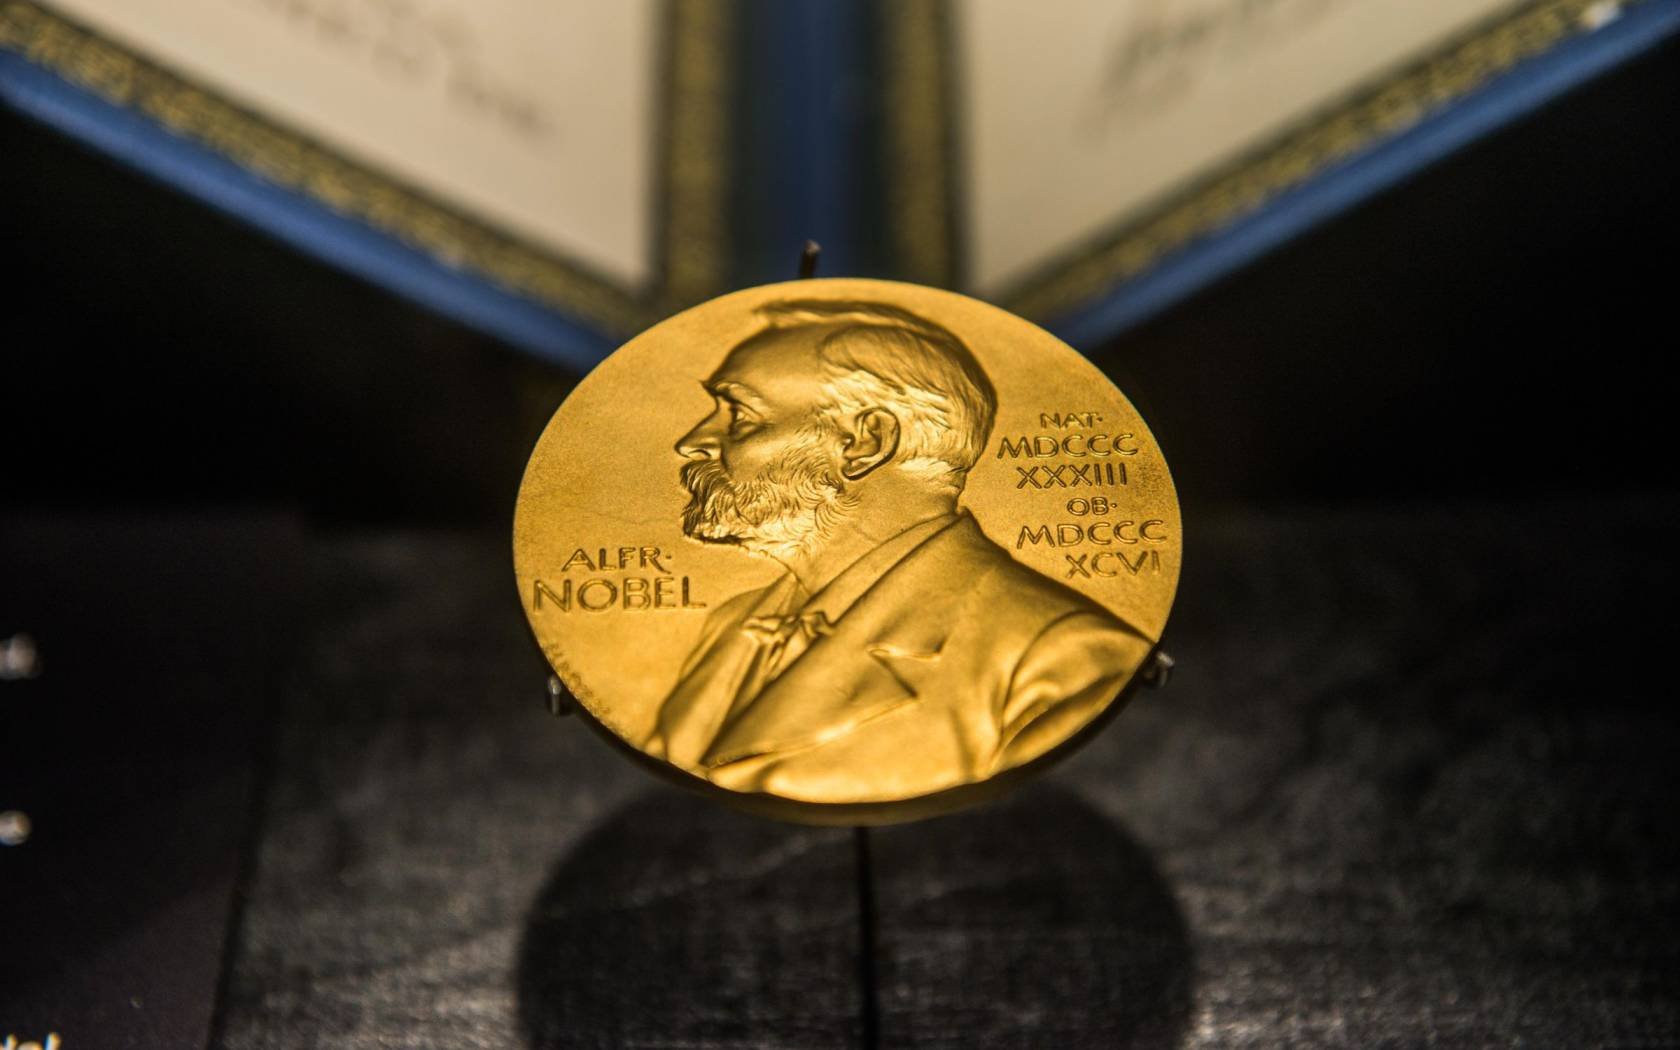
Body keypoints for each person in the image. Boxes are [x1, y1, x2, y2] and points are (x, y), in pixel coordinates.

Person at [646, 298, 1151, 801]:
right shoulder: (733, 626)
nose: (692, 442)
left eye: (739, 416)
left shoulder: (1059, 661)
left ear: (865, 442)